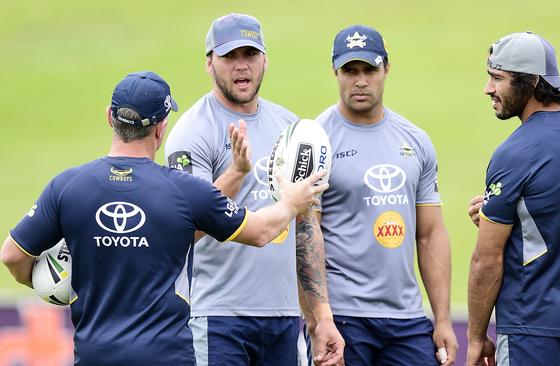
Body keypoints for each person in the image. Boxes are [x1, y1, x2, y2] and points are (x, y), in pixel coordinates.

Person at [0, 71, 326, 366]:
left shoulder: (67, 187)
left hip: (95, 356)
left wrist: (48, 282)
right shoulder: (184, 191)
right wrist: (290, 202)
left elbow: (12, 255)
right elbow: (261, 232)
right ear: (161, 127)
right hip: (167, 357)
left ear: (109, 118)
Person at [164, 13, 343, 366]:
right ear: (209, 63)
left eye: (250, 54)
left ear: (265, 59)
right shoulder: (193, 131)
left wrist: (321, 318)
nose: (241, 66)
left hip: (283, 317)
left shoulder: (292, 129)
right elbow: (186, 229)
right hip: (217, 316)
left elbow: (306, 226)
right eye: (229, 56)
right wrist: (235, 173)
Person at [300, 24, 458, 366]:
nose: (360, 81)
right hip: (344, 319)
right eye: (350, 70)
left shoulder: (415, 140)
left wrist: (442, 318)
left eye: (369, 70)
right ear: (335, 71)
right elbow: (305, 235)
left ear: (386, 68)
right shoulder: (315, 141)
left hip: (406, 319)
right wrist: (319, 320)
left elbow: (431, 234)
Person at [466, 32, 560, 366]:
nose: (488, 88)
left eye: (497, 78)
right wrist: (501, 215)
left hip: (532, 329)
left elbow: (486, 260)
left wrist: (475, 337)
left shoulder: (517, 152)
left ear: (530, 83)